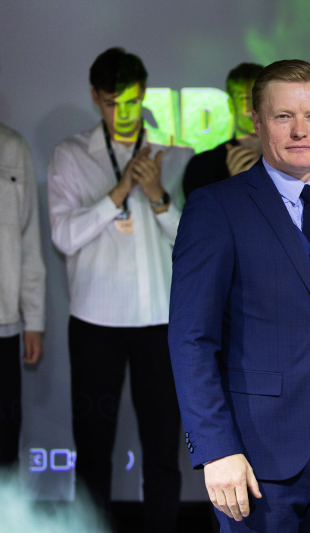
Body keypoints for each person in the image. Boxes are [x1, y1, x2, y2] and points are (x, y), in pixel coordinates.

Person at [169, 59, 310, 533]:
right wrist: (215, 449)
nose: (299, 130)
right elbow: (192, 339)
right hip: (253, 459)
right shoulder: (215, 207)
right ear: (257, 121)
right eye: (283, 116)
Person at [47, 47, 193, 532]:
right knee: (92, 446)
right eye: (113, 104)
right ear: (95, 98)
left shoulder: (176, 155)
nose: (124, 114)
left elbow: (193, 244)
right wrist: (117, 193)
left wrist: (157, 196)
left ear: (144, 94)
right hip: (96, 322)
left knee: (162, 448)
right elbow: (64, 236)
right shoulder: (71, 155)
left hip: (160, 322)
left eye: (131, 102)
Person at [0, 123, 46, 470]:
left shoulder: (11, 147)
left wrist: (34, 320)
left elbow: (28, 241)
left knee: (4, 442)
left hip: (4, 323)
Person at [182, 62, 263, 200]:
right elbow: (201, 213)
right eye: (246, 100)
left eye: (261, 98)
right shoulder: (203, 167)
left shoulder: (290, 161)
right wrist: (236, 186)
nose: (255, 108)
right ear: (231, 105)